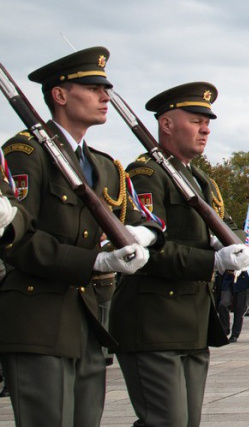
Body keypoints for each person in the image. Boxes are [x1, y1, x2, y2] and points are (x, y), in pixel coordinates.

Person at [0, 48, 155, 427]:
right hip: (38, 320)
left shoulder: (103, 165)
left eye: (106, 89)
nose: (105, 97)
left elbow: (141, 221)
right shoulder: (27, 152)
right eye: (93, 88)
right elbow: (17, 240)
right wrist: (94, 261)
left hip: (88, 320)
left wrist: (141, 236)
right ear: (60, 94)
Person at [113, 81, 249, 427]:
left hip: (193, 320)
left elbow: (216, 229)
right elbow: (145, 249)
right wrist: (213, 260)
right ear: (166, 124)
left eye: (207, 123)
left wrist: (230, 245)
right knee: (166, 422)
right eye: (196, 121)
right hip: (153, 320)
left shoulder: (201, 180)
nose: (206, 130)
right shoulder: (146, 174)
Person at [217, 269, 249, 342]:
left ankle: (235, 334)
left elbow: (247, 263)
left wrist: (240, 269)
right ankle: (224, 329)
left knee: (239, 308)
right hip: (228, 276)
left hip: (241, 277)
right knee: (223, 304)